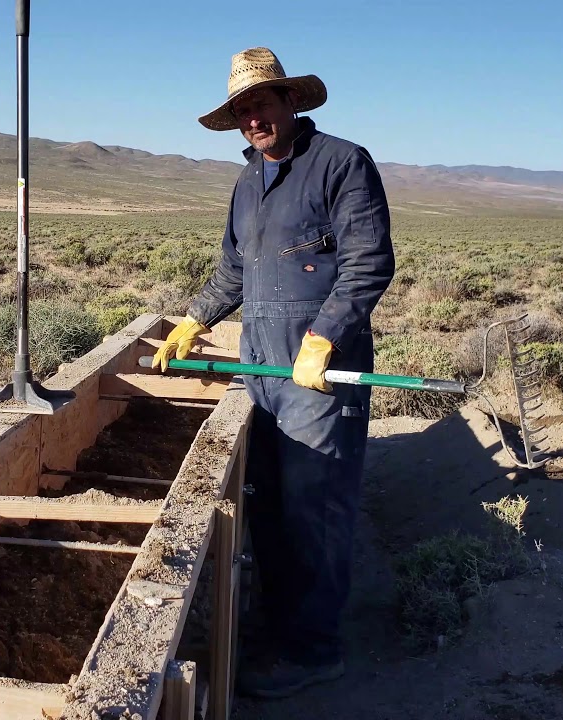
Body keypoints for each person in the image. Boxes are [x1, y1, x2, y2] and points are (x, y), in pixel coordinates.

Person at [153, 47, 395, 698]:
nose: (252, 117)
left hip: (318, 369)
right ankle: (274, 628)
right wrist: (195, 318)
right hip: (260, 361)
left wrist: (324, 337)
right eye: (241, 109)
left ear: (291, 101)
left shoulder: (341, 163)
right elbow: (235, 269)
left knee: (314, 507)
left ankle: (314, 650)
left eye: (261, 102)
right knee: (266, 499)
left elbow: (369, 262)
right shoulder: (248, 183)